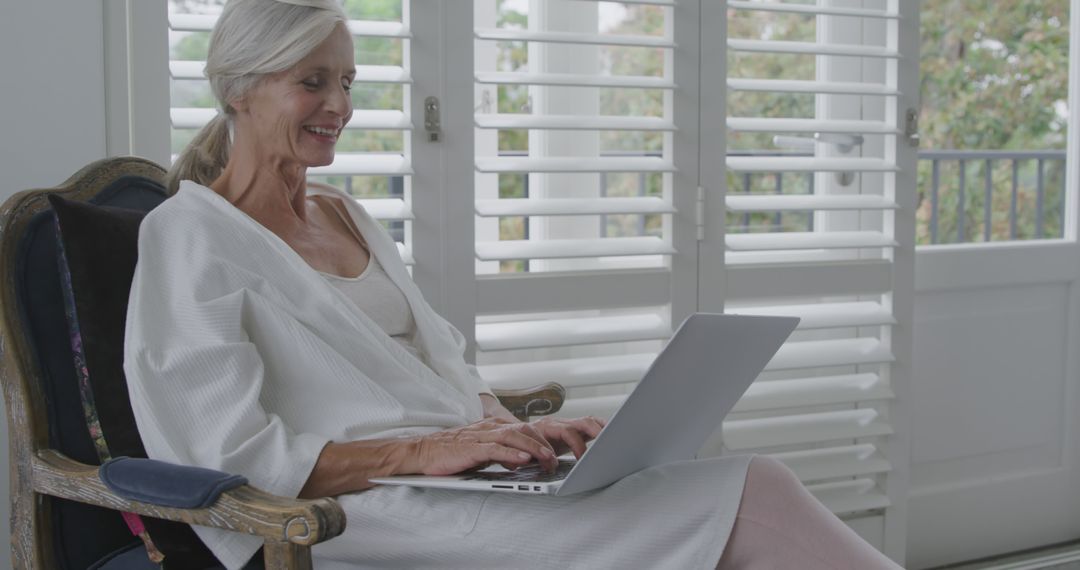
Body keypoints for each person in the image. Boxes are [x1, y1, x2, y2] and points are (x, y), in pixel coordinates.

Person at [124, 0, 904, 568]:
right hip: (352, 517)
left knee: (726, 490)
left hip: (466, 484)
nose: (340, 106)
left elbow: (442, 364)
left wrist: (509, 432)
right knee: (749, 494)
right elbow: (222, 453)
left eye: (350, 82)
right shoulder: (188, 237)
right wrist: (424, 452)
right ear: (237, 90)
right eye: (313, 81)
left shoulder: (346, 213)